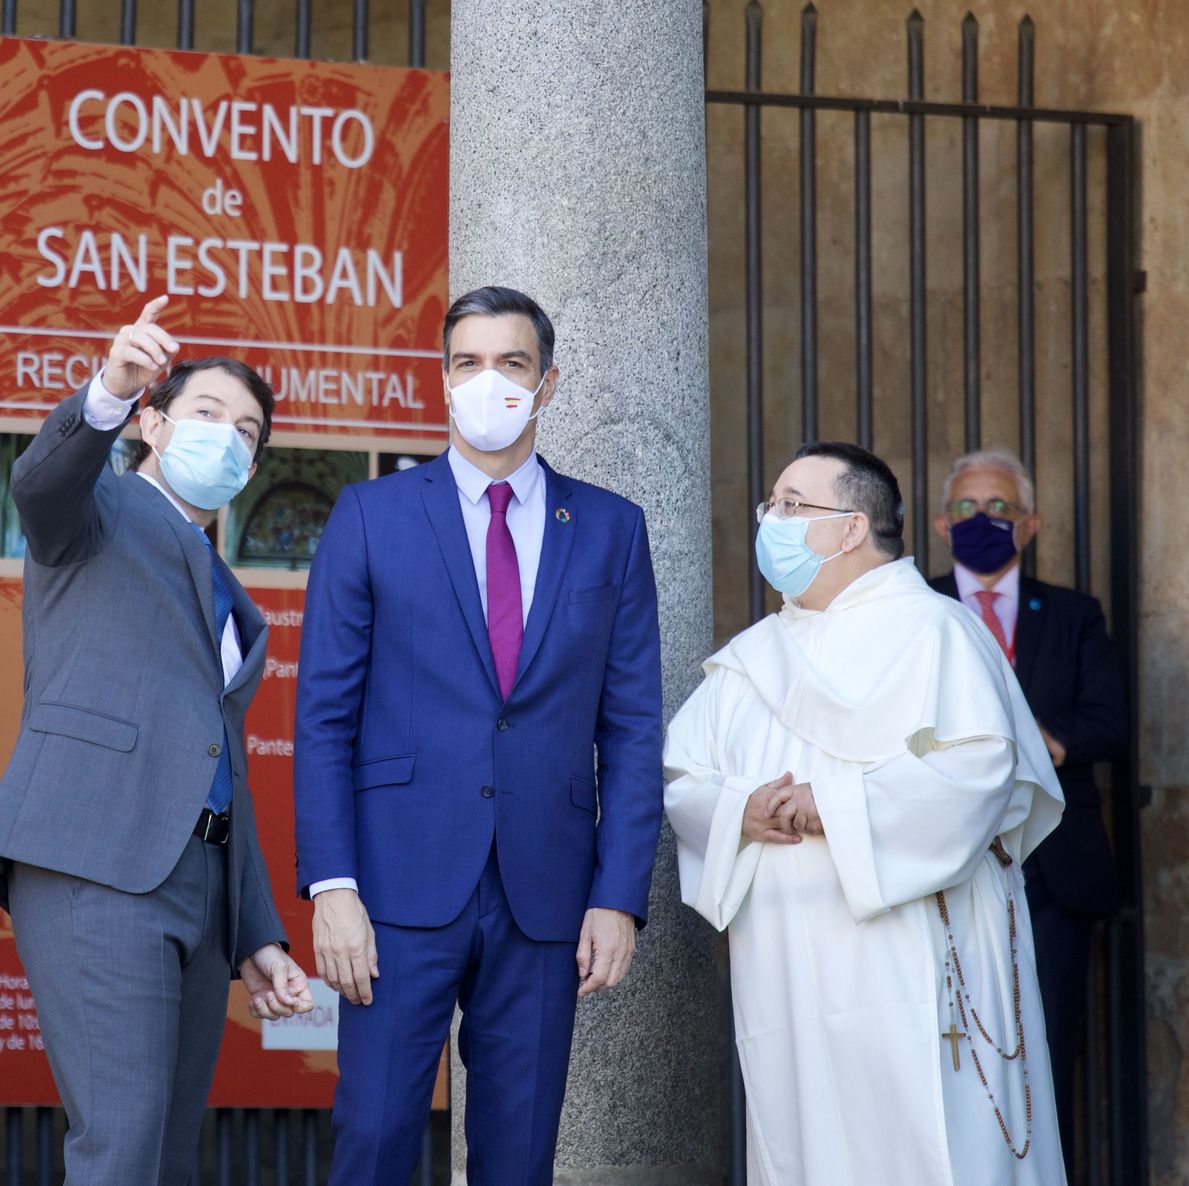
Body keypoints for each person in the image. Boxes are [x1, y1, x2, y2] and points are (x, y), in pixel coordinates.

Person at [295, 285, 664, 1185]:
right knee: (376, 1139)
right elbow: (323, 715)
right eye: (467, 363)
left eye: (510, 364)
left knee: (519, 1156)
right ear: (442, 379)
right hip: (395, 887)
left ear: (547, 384)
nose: (486, 382)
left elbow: (634, 728)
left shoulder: (611, 529)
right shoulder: (372, 515)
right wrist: (331, 884)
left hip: (545, 894)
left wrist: (618, 896)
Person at [0, 295, 313, 1185]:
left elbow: (220, 767)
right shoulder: (99, 510)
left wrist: (257, 935)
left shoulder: (237, 601)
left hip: (199, 886)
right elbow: (38, 487)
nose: (229, 439)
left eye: (249, 432)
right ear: (154, 423)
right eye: (207, 414)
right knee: (119, 1149)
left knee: (163, 1155)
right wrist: (107, 390)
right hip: (96, 860)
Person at [664, 441, 1068, 1185]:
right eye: (770, 507)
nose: (772, 522)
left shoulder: (936, 632)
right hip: (785, 967)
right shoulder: (752, 659)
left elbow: (978, 773)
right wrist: (739, 808)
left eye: (792, 506)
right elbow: (682, 777)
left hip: (915, 955)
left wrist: (833, 805)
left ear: (852, 528)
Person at [932, 447, 1125, 1170]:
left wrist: (1044, 743)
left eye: (999, 508)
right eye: (965, 509)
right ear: (940, 526)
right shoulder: (917, 608)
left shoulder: (1073, 615)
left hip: (1052, 871)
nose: (981, 520)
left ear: (1031, 523)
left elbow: (1111, 722)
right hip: (943, 865)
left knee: (1048, 1049)